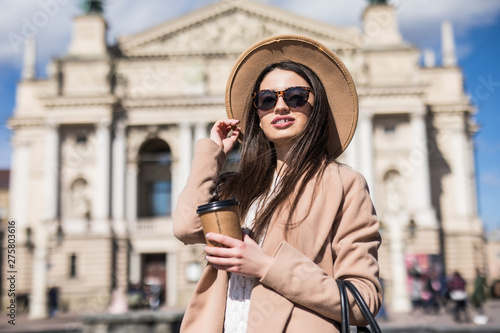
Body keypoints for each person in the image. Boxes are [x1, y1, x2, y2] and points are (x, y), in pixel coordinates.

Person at [173, 35, 382, 333]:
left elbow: (364, 299)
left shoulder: (344, 184)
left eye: (296, 97)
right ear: (258, 116)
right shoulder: (240, 185)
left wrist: (266, 267)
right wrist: (213, 155)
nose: (280, 107)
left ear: (316, 107)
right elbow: (186, 227)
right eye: (267, 100)